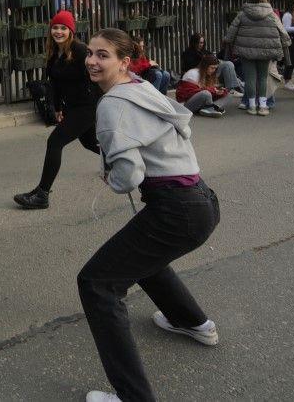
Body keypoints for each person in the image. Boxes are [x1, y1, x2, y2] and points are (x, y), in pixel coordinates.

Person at [78, 27, 220, 402]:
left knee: (97, 283)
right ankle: (194, 323)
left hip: (175, 209)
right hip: (200, 200)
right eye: (90, 52)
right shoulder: (142, 86)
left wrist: (111, 177)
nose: (92, 60)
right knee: (142, 259)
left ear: (124, 62)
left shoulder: (111, 104)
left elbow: (129, 176)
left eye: (103, 55)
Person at [13, 10, 99, 210]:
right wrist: (58, 108)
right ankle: (120, 161)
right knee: (90, 143)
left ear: (71, 31)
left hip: (87, 106)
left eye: (63, 28)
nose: (58, 31)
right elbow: (55, 84)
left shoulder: (80, 51)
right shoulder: (54, 54)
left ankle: (42, 194)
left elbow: (95, 76)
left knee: (54, 142)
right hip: (73, 107)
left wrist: (97, 104)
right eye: (55, 27)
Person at [222, 0, 290, 115]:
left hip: (245, 50)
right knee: (263, 78)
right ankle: (263, 106)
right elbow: (283, 32)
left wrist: (227, 42)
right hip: (266, 50)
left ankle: (251, 106)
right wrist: (286, 45)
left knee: (250, 78)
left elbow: (231, 33)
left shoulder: (242, 14)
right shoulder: (272, 14)